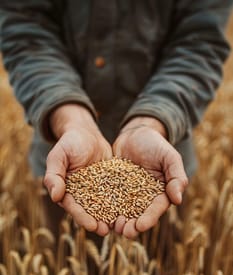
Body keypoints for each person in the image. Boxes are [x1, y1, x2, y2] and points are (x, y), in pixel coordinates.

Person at [0, 1, 231, 239]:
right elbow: (27, 32)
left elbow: (199, 45)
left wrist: (152, 120)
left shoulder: (149, 182)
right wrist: (70, 117)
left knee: (164, 265)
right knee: (71, 267)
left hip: (159, 166)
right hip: (65, 164)